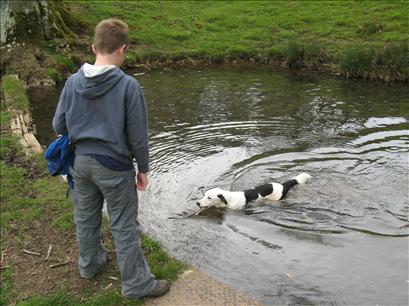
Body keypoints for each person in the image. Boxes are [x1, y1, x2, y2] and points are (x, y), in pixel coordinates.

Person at [52, 18, 170, 299]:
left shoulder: (71, 82)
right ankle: (137, 284)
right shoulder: (128, 86)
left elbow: (59, 126)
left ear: (94, 47)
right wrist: (143, 168)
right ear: (123, 49)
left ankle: (90, 266)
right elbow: (138, 135)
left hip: (80, 164)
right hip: (114, 168)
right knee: (124, 225)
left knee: (85, 218)